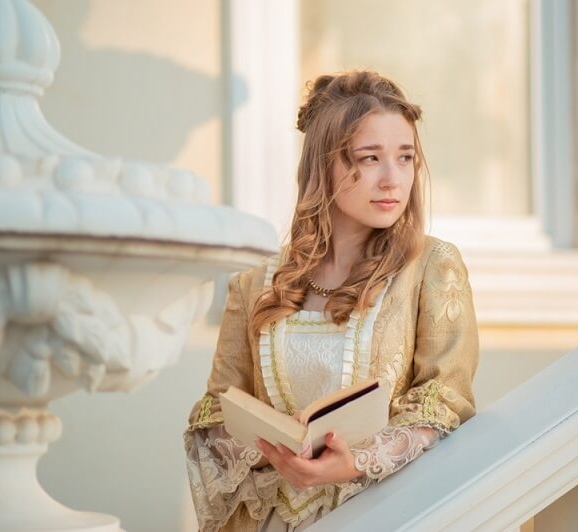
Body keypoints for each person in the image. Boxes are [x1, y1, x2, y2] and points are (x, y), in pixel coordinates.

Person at [184, 70, 479, 531]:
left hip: (380, 516)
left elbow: (443, 403)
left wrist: (352, 462)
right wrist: (277, 452)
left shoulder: (432, 267)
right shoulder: (255, 283)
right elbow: (216, 411)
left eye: (405, 158)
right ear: (325, 167)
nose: (392, 179)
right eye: (370, 158)